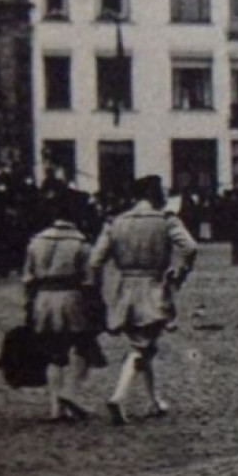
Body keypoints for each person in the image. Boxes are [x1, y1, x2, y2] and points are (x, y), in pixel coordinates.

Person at [90, 175, 198, 425]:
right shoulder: (165, 220)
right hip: (153, 286)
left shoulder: (116, 222)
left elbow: (95, 260)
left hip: (124, 288)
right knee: (141, 346)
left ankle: (154, 401)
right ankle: (119, 396)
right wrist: (180, 271)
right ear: (154, 194)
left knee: (144, 343)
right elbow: (190, 247)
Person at [21, 198, 105, 421]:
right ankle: (70, 393)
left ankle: (55, 408)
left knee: (54, 353)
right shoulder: (82, 245)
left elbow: (28, 278)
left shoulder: (35, 242)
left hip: (42, 299)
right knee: (86, 347)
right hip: (72, 299)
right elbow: (90, 280)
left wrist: (30, 304)